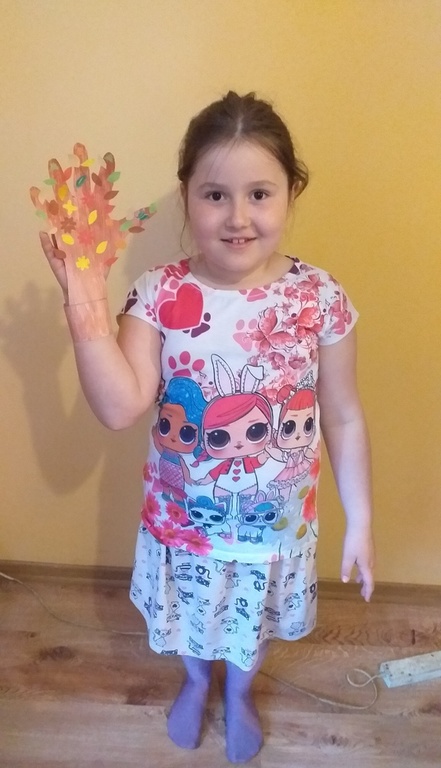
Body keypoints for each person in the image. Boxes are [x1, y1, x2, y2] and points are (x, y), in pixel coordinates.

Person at [39, 91, 374, 764]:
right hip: (183, 525)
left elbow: (341, 412)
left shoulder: (319, 298)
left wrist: (360, 518)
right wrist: (85, 302)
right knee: (194, 621)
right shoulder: (159, 294)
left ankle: (240, 691)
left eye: (259, 194)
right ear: (186, 196)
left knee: (251, 627)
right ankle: (196, 682)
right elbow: (120, 406)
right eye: (215, 195)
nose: (238, 217)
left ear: (291, 193)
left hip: (274, 529)